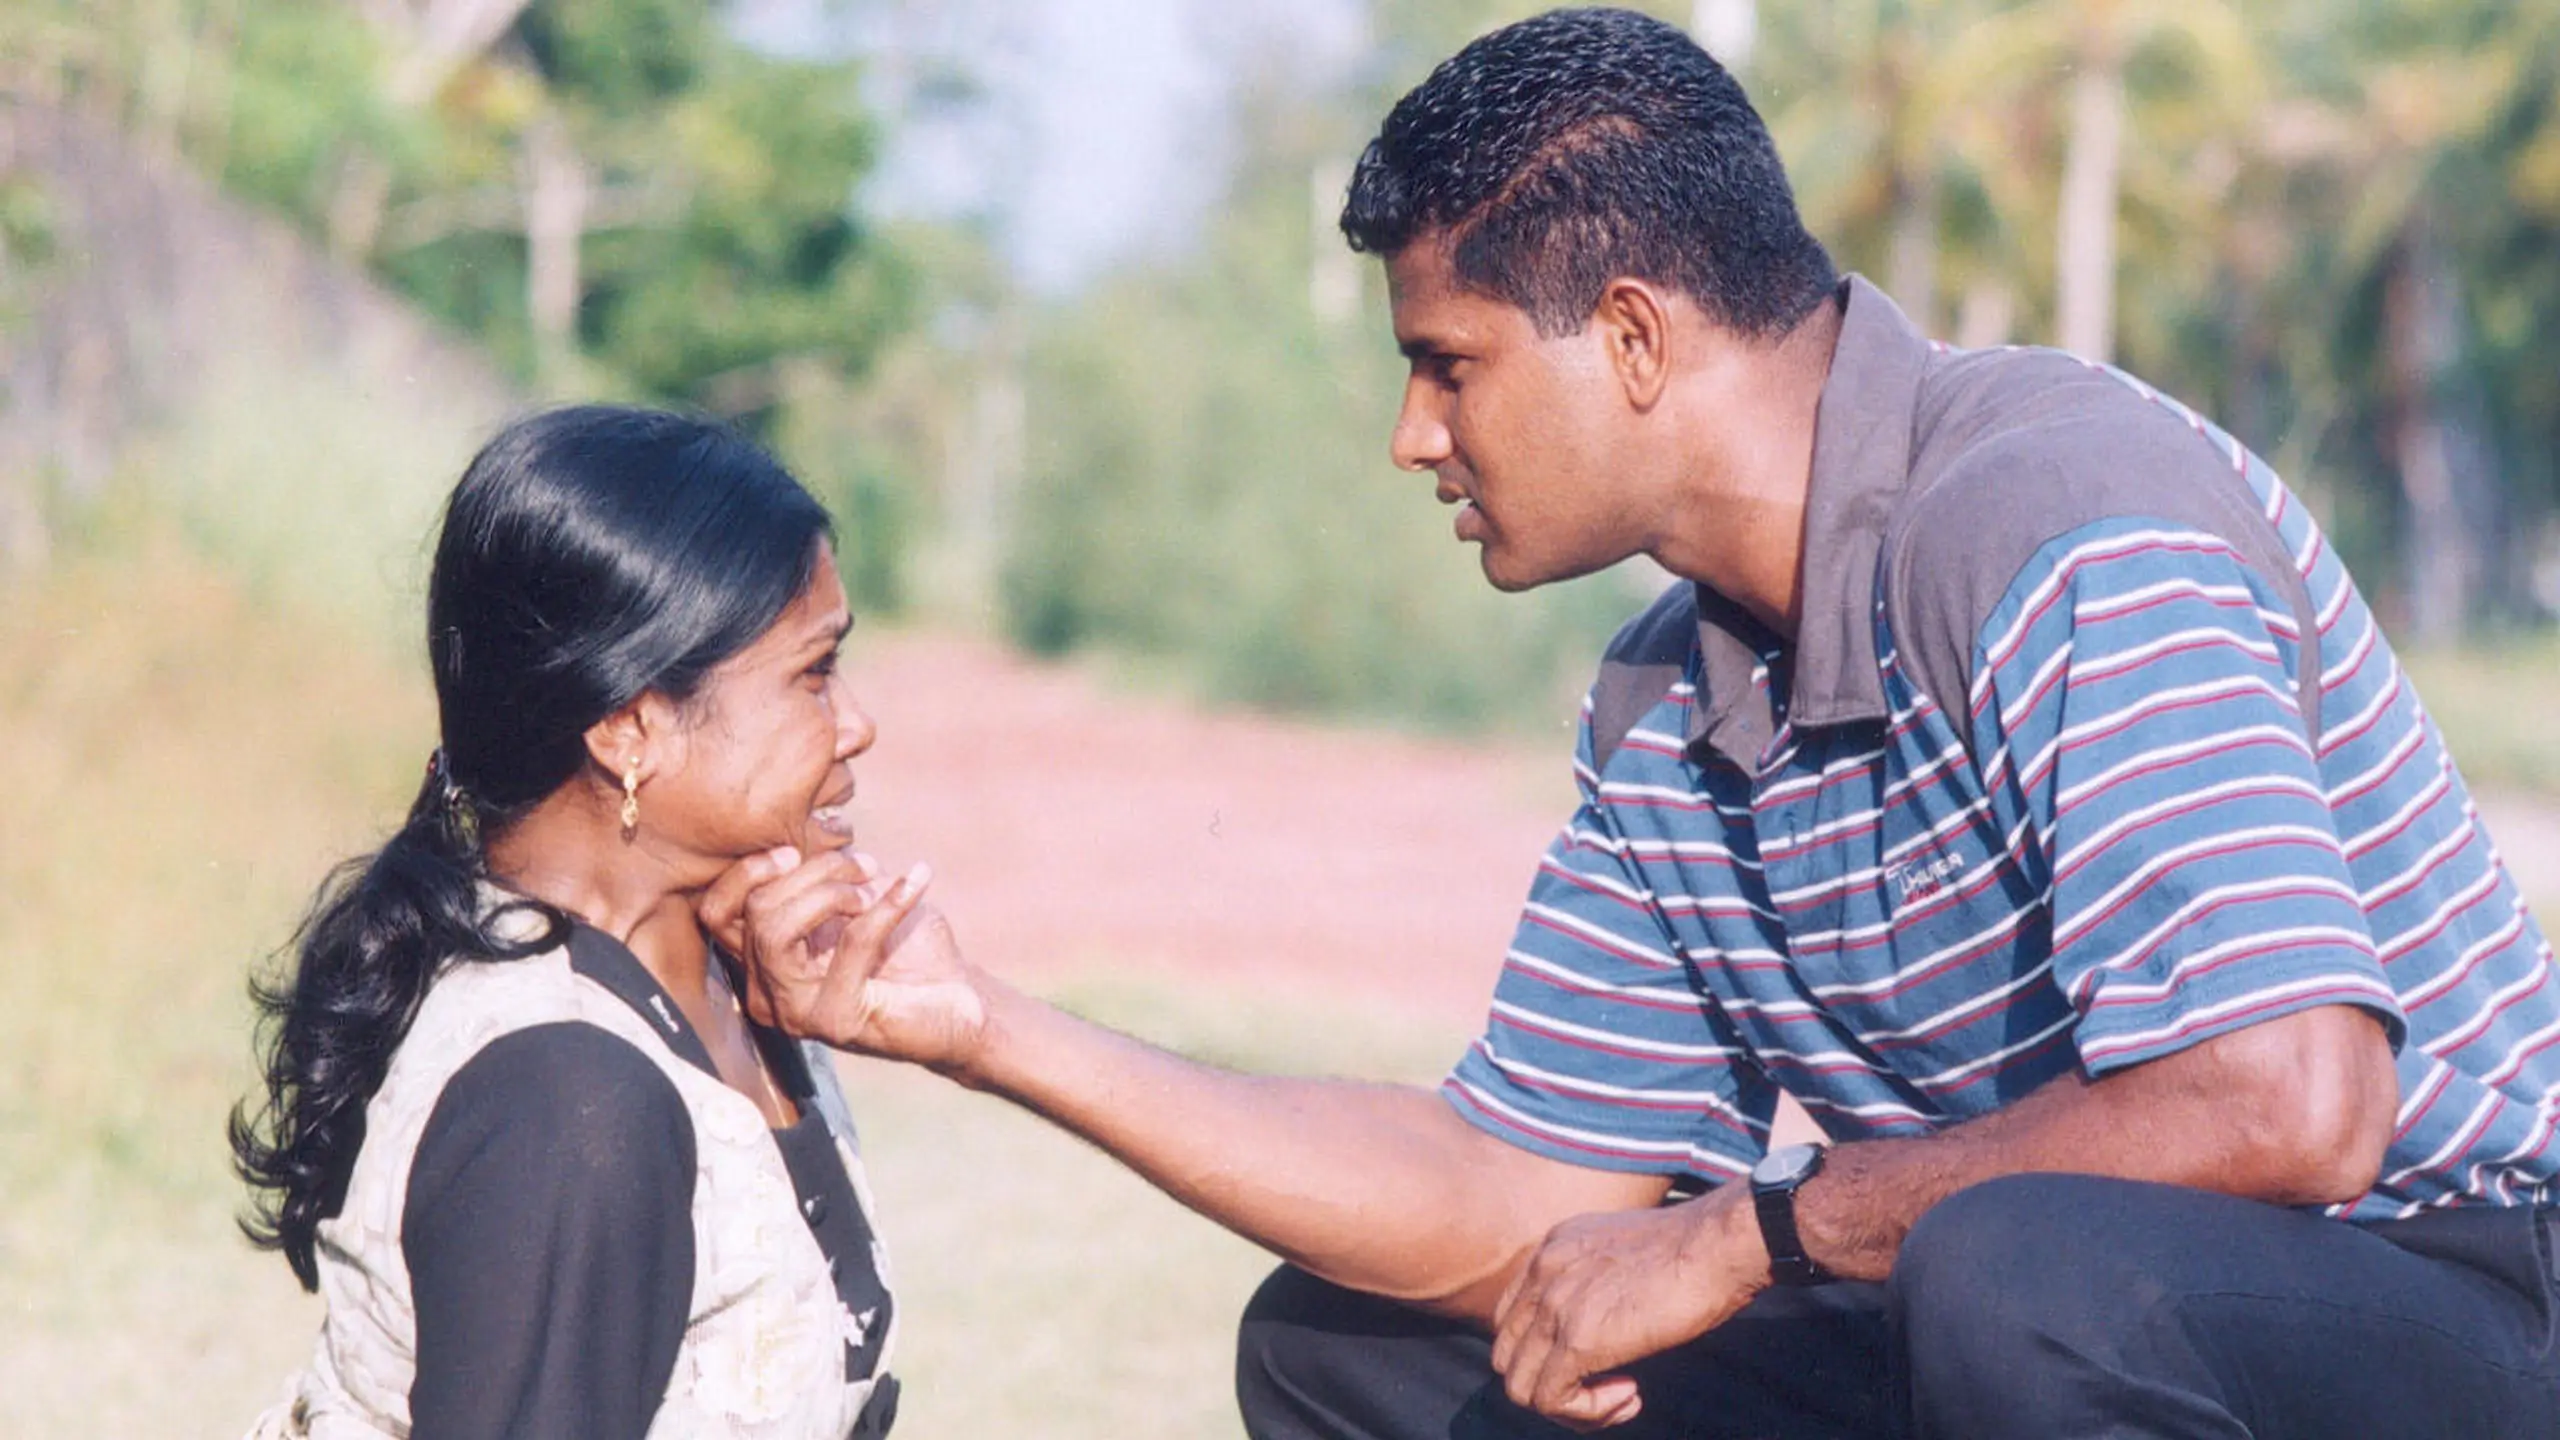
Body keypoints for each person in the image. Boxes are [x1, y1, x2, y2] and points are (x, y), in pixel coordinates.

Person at [717, 9, 2560, 1438]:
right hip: (2014, 1310)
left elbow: (2291, 1103)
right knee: (1363, 1353)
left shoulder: (2063, 512)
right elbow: (1507, 1194)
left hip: (2433, 1285)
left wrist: (1761, 1232)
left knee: (2018, 1278)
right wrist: (983, 1032)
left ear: (1634, 337)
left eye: (1446, 365)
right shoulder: (1669, 702)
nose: (1412, 439)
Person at [231, 406, 923, 1439]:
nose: (856, 723)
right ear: (632, 728)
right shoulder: (569, 1098)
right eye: (813, 674)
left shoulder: (726, 978)